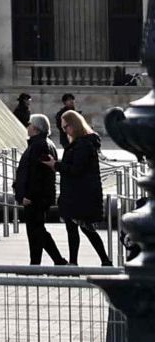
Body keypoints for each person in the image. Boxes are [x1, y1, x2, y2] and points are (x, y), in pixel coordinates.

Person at [60, 108, 113, 266]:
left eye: (66, 127)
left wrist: (56, 165)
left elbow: (76, 169)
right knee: (76, 227)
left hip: (80, 194)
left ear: (74, 125)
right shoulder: (83, 143)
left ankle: (103, 260)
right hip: (77, 193)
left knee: (84, 228)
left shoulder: (82, 144)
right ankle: (76, 262)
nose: (64, 131)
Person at [16, 118, 63, 266]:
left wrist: (27, 195)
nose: (28, 126)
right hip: (40, 195)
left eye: (29, 124)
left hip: (35, 197)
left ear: (35, 128)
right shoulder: (44, 143)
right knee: (37, 231)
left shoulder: (39, 145)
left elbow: (37, 174)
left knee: (37, 231)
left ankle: (56, 261)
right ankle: (36, 263)